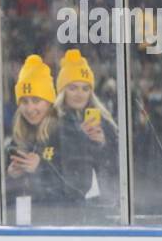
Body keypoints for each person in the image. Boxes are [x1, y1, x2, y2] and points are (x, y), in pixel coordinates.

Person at [54, 48, 118, 209]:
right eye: (73, 88)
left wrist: (102, 143)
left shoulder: (103, 122)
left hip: (100, 203)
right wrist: (80, 137)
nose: (79, 94)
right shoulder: (52, 123)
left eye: (85, 88)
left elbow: (116, 166)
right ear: (63, 91)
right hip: (62, 203)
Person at [7, 55, 69, 208]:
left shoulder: (65, 132)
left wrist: (41, 168)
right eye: (24, 101)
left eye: (36, 101)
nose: (30, 109)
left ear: (49, 103)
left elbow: (77, 186)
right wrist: (11, 175)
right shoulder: (16, 135)